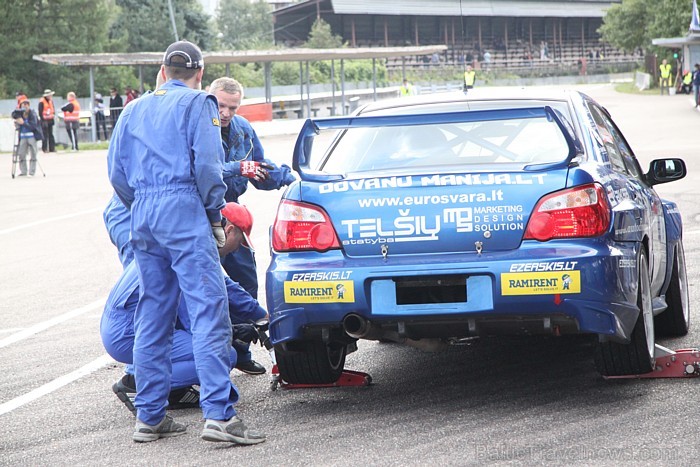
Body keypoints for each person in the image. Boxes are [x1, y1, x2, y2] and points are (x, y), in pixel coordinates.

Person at [107, 39, 265, 445]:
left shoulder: (132, 109)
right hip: (183, 210)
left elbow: (117, 174)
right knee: (208, 310)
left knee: (153, 315)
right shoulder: (200, 104)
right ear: (199, 76)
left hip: (142, 214)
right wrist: (213, 215)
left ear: (162, 72)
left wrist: (142, 205)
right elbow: (209, 169)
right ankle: (219, 417)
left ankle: (150, 416)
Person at [103, 202, 268, 417]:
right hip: (126, 332)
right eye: (240, 242)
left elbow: (225, 287)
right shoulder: (192, 255)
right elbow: (196, 322)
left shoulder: (187, 239)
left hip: (124, 323)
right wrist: (233, 333)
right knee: (223, 355)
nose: (238, 249)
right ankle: (139, 384)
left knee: (212, 346)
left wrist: (262, 316)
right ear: (229, 230)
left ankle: (160, 385)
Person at [208, 76, 296, 375]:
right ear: (209, 100)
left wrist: (289, 178)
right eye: (220, 105)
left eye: (232, 107)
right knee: (205, 286)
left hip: (232, 214)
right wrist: (237, 167)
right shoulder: (196, 128)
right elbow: (197, 171)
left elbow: (260, 169)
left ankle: (240, 349)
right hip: (200, 214)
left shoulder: (243, 129)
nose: (225, 113)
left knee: (246, 280)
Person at [13, 99, 43, 177]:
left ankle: (32, 172)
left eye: (26, 104)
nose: (25, 106)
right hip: (23, 136)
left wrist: (23, 123)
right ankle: (23, 171)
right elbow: (13, 115)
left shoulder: (32, 114)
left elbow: (33, 126)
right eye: (23, 104)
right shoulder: (20, 114)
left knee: (33, 154)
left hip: (31, 136)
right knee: (21, 154)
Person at [37, 89, 56, 153]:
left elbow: (53, 110)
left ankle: (52, 148)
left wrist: (53, 117)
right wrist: (43, 120)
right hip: (44, 120)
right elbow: (40, 111)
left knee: (51, 134)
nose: (50, 96)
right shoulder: (42, 102)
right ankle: (44, 148)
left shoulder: (51, 101)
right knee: (45, 135)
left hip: (50, 120)